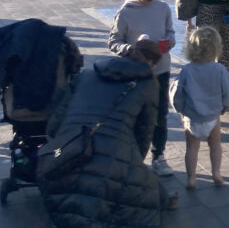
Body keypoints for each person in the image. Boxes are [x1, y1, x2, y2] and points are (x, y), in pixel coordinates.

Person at [39, 39, 175, 227]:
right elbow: (144, 134)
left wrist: (61, 144)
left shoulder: (87, 74)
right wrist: (132, 161)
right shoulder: (148, 85)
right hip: (113, 156)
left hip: (69, 151)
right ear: (151, 63)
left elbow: (56, 121)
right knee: (143, 203)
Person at [108, 0, 176, 177]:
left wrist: (168, 43)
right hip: (136, 73)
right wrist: (130, 49)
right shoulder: (126, 12)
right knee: (136, 114)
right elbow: (113, 41)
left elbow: (171, 33)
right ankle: (133, 157)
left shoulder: (163, 8)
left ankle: (159, 156)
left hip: (161, 70)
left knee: (160, 114)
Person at [172, 26, 229, 190]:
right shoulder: (219, 70)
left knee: (191, 148)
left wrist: (180, 109)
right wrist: (226, 105)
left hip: (191, 116)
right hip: (213, 116)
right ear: (216, 48)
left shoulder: (187, 70)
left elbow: (177, 92)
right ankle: (216, 173)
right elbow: (228, 91)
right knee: (215, 145)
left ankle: (191, 178)